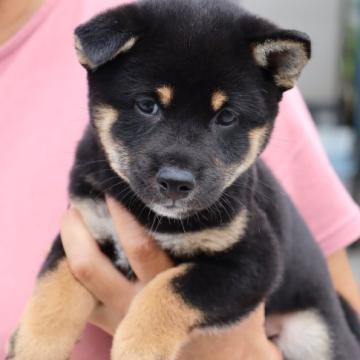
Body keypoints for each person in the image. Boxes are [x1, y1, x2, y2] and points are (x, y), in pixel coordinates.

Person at [1, 0, 359, 358]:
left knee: (311, 341)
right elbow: (77, 255)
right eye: (148, 106)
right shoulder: (95, 166)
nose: (178, 169)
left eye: (226, 118)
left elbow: (249, 267)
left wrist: (166, 328)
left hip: (289, 314)